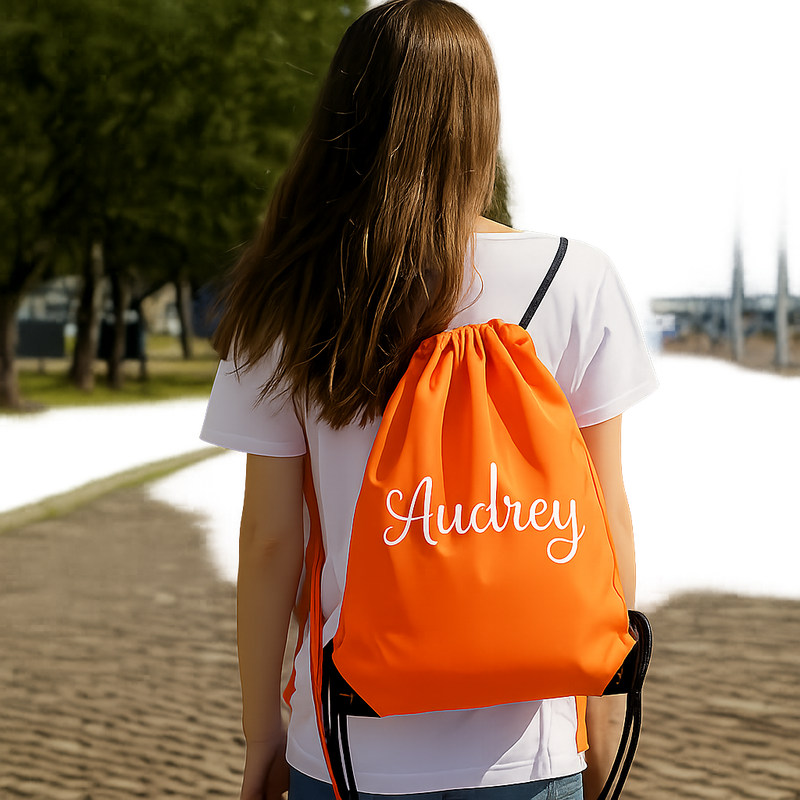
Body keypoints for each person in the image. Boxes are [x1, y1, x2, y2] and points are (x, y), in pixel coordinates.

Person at [198, 1, 661, 799]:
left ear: (345, 109)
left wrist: (263, 732)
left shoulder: (288, 292)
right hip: (530, 747)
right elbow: (604, 519)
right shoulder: (579, 277)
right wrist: (602, 722)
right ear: (482, 118)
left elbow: (270, 542)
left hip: (345, 743)